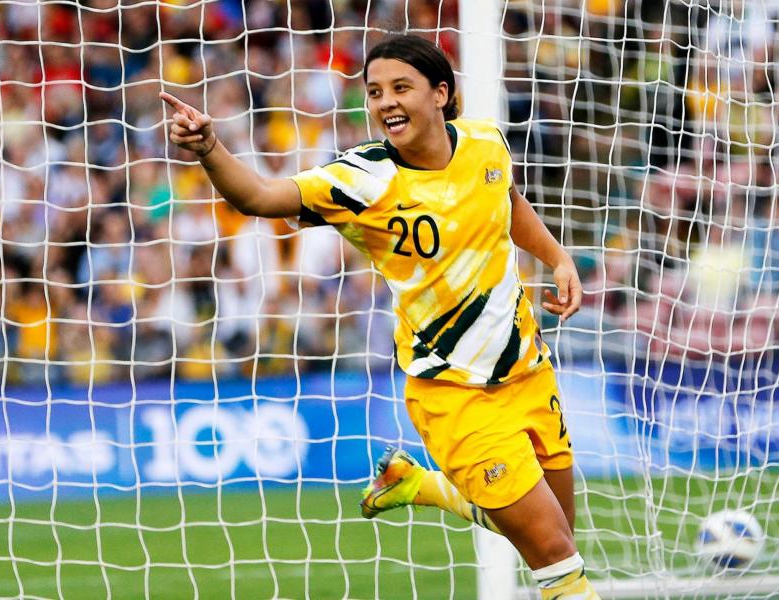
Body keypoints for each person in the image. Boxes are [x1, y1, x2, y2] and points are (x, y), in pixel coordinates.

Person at [161, 34, 598, 600]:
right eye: (373, 92)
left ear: (441, 94)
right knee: (557, 559)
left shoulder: (486, 143)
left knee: (558, 532)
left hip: (529, 373)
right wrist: (210, 148)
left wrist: (557, 257)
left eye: (400, 87)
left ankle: (419, 484)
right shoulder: (361, 180)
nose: (385, 102)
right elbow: (261, 197)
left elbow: (505, 199)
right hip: (453, 391)